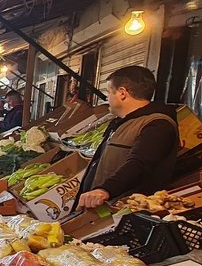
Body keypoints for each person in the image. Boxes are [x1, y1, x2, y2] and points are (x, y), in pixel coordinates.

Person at [76, 66, 179, 209]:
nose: (107, 98)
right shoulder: (122, 122)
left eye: (108, 92)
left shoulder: (157, 125)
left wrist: (105, 189)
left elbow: (139, 164)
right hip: (103, 207)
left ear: (122, 93)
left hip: (125, 211)